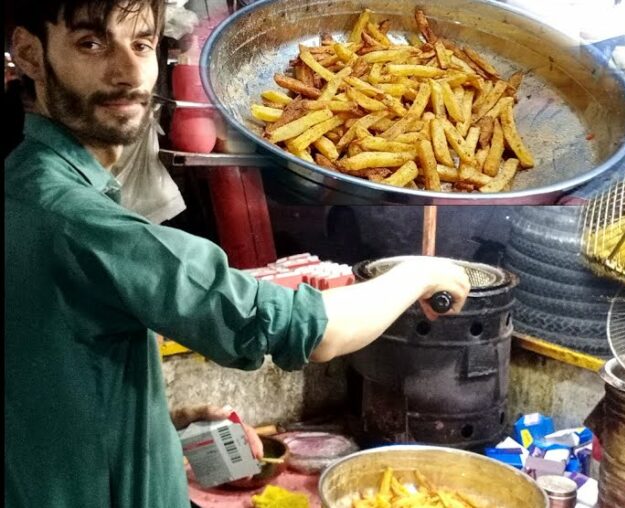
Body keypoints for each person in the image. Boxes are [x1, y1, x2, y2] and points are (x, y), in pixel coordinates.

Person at [3, 1, 471, 506]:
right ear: (29, 54)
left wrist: (161, 423)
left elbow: (43, 383)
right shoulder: (76, 219)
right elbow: (311, 330)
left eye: (141, 44)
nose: (127, 71)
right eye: (90, 43)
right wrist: (419, 274)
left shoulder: (21, 186)